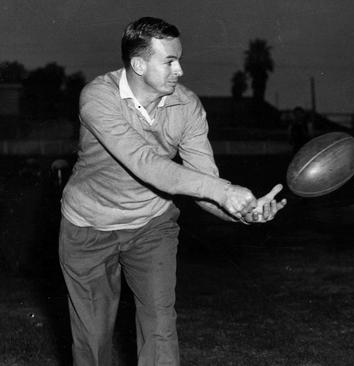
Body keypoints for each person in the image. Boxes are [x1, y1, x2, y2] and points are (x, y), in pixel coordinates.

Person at [58, 17, 286, 366]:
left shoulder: (188, 107)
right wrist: (223, 191)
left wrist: (243, 212)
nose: (179, 70)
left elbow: (202, 183)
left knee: (160, 328)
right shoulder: (97, 97)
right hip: (87, 227)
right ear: (138, 64)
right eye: (169, 61)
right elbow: (146, 165)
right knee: (92, 341)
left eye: (179, 59)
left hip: (151, 225)